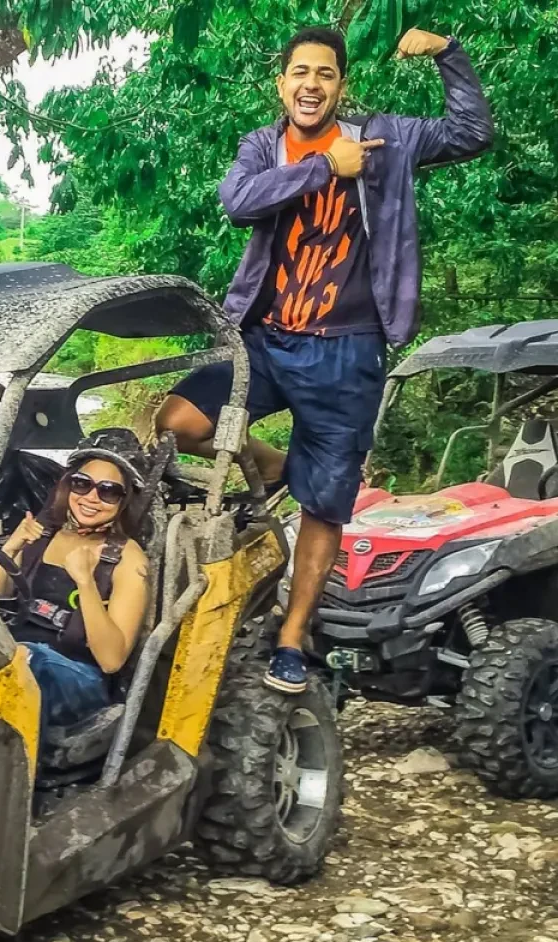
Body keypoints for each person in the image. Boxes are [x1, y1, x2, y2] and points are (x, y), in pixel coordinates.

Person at [153, 24, 493, 694]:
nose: (311, 84)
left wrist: (449, 53)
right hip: (267, 340)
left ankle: (291, 636)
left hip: (349, 351)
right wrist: (322, 168)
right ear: (282, 85)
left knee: (325, 509)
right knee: (177, 421)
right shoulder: (263, 146)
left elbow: (471, 131)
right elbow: (237, 202)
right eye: (299, 73)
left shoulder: (386, 139)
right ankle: (284, 468)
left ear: (342, 85)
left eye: (326, 74)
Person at [0, 444, 150, 731]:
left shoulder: (128, 560)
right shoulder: (41, 534)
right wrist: (11, 548)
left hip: (78, 676)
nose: (92, 498)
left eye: (107, 491)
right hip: (14, 657)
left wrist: (86, 582)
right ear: (68, 486)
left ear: (123, 501)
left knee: (27, 660)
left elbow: (111, 660)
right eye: (82, 484)